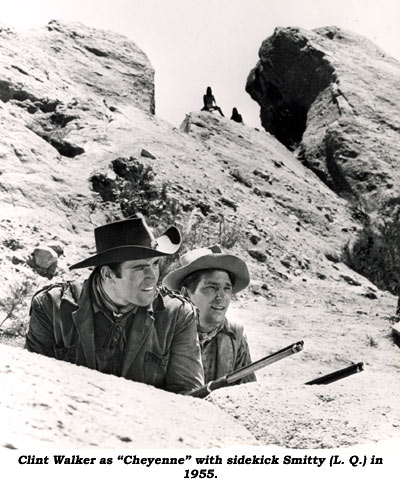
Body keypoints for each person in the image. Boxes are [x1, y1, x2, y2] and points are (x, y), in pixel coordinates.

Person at [25, 215, 204, 394]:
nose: (153, 276)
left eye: (155, 263)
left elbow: (187, 397)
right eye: (139, 267)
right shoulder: (52, 307)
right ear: (108, 274)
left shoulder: (176, 315)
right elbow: (34, 386)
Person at [163, 245, 256, 385]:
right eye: (211, 287)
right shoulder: (164, 330)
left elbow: (247, 392)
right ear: (185, 293)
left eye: (227, 288)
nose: (221, 297)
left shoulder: (235, 334)